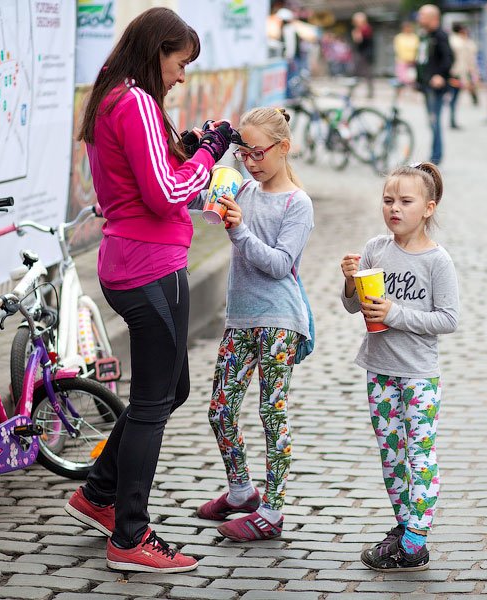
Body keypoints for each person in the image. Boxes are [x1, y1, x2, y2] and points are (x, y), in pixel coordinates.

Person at [63, 7, 233, 573]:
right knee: (155, 402)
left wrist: (188, 145)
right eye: (180, 63)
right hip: (147, 266)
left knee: (171, 388)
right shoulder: (134, 99)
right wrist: (209, 156)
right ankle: (130, 536)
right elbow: (163, 193)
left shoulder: (119, 96)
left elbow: (153, 174)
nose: (182, 75)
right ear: (155, 51)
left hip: (140, 259)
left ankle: (98, 494)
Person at [196, 107, 314, 542]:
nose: (250, 160)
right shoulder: (241, 187)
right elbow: (195, 197)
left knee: (271, 411)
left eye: (258, 151)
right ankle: (242, 491)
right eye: (243, 151)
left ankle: (273, 509)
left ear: (284, 148)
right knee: (220, 409)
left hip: (280, 320)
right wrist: (212, 149)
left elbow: (281, 265)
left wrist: (240, 232)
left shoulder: (296, 203)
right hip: (240, 319)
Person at [340, 162, 459, 571]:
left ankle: (415, 541)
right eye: (388, 200)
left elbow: (447, 319)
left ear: (428, 207)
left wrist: (395, 313)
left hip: (419, 376)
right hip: (379, 368)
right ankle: (404, 524)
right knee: (391, 454)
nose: (394, 208)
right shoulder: (376, 248)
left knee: (420, 454)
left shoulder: (437, 261)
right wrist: (349, 282)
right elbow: (355, 306)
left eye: (405, 201)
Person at [415, 5, 453, 164]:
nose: (419, 18)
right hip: (426, 86)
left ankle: (436, 158)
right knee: (431, 122)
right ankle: (434, 155)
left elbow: (449, 58)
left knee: (434, 121)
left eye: (422, 15)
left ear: (433, 18)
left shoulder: (440, 36)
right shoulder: (424, 35)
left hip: (435, 88)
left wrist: (440, 75)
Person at [448, 23, 479, 129]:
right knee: (454, 96)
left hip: (461, 73)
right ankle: (452, 120)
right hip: (456, 73)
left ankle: (452, 119)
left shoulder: (463, 41)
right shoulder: (457, 42)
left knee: (455, 96)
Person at [351, 12, 376, 99]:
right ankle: (354, 91)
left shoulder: (364, 28)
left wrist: (356, 33)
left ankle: (353, 91)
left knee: (362, 73)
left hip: (364, 54)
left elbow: (358, 40)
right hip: (364, 54)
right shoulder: (365, 28)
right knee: (364, 74)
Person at [393, 21, 419, 87]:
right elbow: (398, 50)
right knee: (401, 80)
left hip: (413, 61)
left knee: (412, 79)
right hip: (402, 61)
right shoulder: (399, 37)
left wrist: (414, 58)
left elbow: (417, 49)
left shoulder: (415, 37)